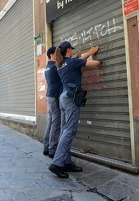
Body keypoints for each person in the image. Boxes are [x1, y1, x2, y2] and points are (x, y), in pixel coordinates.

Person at [48, 41, 100, 178]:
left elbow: (77, 61)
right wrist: (96, 60)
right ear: (69, 50)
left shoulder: (60, 64)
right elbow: (94, 64)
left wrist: (88, 53)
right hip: (71, 98)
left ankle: (66, 161)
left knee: (66, 130)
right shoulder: (71, 63)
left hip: (63, 98)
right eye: (72, 49)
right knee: (70, 130)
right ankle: (57, 163)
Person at [43, 47, 62, 159]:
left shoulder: (48, 67)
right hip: (54, 97)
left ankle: (46, 147)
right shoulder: (54, 66)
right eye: (56, 53)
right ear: (51, 55)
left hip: (50, 96)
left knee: (51, 122)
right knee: (56, 123)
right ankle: (52, 150)